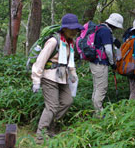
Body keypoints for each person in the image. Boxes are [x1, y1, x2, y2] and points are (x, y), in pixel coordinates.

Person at [32, 13, 83, 141]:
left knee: (67, 101)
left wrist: (74, 76)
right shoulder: (54, 41)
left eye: (76, 29)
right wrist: (36, 80)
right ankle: (41, 135)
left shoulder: (70, 43)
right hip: (49, 76)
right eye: (72, 29)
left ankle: (50, 127)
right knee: (52, 105)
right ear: (64, 29)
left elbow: (69, 62)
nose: (74, 31)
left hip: (63, 77)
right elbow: (40, 60)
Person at [89, 13, 123, 113]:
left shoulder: (99, 28)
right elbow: (108, 50)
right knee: (101, 88)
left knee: (97, 87)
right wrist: (113, 63)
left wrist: (114, 40)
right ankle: (100, 114)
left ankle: (96, 112)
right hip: (100, 64)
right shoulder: (106, 31)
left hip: (94, 62)